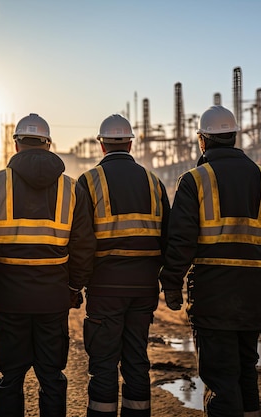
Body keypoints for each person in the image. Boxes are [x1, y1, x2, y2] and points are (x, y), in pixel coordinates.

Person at [159, 105, 261, 417]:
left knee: (221, 379)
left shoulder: (194, 181)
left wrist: (171, 284)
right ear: (234, 138)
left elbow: (181, 241)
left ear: (202, 141)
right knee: (246, 373)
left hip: (213, 296)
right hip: (254, 297)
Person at [0, 113, 96, 417]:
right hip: (52, 300)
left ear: (16, 145)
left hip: (7, 300)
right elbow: (83, 247)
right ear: (48, 144)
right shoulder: (72, 189)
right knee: (52, 377)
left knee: (10, 378)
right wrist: (73, 287)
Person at [77, 114, 171, 417]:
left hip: (105, 288)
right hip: (143, 288)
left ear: (101, 144)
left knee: (103, 362)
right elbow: (168, 239)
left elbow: (81, 241)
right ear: (131, 143)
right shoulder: (154, 182)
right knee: (136, 359)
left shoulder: (88, 181)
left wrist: (75, 283)